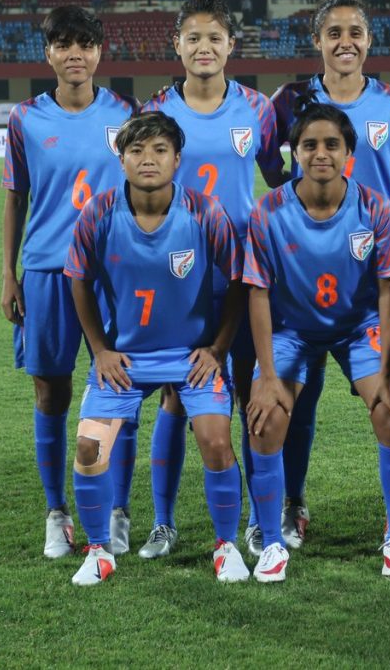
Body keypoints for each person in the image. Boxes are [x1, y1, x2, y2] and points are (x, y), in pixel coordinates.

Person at [269, 0, 390, 554]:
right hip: (302, 277)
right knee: (296, 401)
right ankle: (292, 503)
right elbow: (271, 172)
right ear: (317, 41)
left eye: (355, 32)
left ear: (369, 40)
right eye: (333, 33)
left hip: (375, 278)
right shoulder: (290, 102)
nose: (345, 42)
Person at [63, 112, 249, 585]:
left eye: (160, 150)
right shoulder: (98, 213)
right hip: (124, 358)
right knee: (88, 446)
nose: (148, 159)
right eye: (137, 151)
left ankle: (226, 546)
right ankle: (99, 551)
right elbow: (78, 280)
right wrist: (100, 349)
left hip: (190, 357)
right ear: (121, 159)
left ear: (177, 159)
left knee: (216, 441)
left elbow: (238, 282)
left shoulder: (205, 211)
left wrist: (218, 349)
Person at [141, 0, 287, 560]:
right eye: (193, 38)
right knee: (176, 395)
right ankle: (163, 523)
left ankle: (257, 522)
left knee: (253, 394)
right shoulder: (156, 110)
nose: (204, 47)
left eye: (215, 38)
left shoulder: (257, 108)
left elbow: (277, 175)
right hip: (180, 274)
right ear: (177, 45)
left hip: (245, 272)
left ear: (232, 45)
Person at [243, 99, 390, 580]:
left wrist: (388, 369)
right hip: (292, 330)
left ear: (348, 152)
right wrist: (267, 377)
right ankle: (271, 541)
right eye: (310, 144)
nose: (321, 153)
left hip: (359, 327)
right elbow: (257, 294)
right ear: (294, 151)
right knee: (264, 420)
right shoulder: (268, 210)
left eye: (332, 144)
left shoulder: (375, 207)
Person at [1, 6, 139, 559]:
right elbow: (16, 198)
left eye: (85, 43)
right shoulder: (25, 118)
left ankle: (118, 511)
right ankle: (57, 513)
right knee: (51, 390)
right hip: (46, 271)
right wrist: (8, 275)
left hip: (112, 272)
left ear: (100, 51)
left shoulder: (125, 114)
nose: (75, 54)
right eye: (63, 44)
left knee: (121, 388)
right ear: (49, 53)